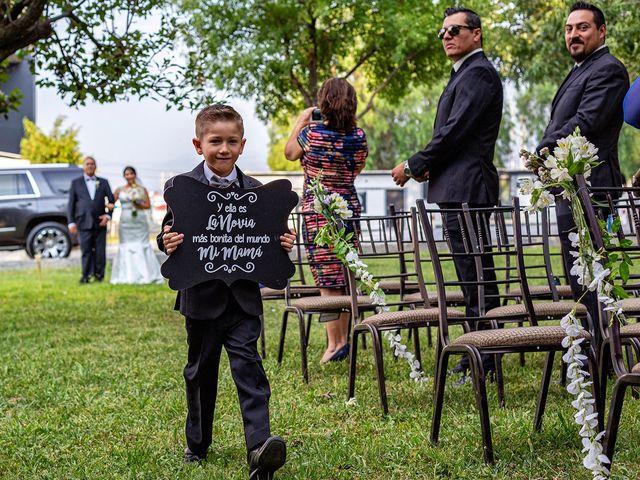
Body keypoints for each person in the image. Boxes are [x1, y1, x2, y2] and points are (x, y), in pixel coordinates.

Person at [158, 104, 295, 479]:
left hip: (244, 301)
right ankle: (197, 444)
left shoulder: (256, 193)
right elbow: (168, 231)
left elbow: (268, 240)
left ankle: (260, 447)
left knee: (249, 368)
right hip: (201, 300)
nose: (223, 149)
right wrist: (166, 240)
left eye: (231, 142)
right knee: (201, 373)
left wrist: (282, 242)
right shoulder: (183, 189)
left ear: (242, 144)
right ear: (198, 144)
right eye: (215, 141)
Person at [390, 6, 503, 376]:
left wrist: (413, 165)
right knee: (468, 270)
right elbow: (455, 137)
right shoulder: (463, 74)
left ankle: (487, 351)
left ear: (477, 34)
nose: (447, 37)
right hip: (456, 186)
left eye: (455, 30)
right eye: (443, 32)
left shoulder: (479, 74)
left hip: (469, 187)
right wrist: (432, 166)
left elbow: (454, 132)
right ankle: (478, 346)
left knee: (476, 271)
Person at [536, 1, 629, 348]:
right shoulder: (580, 69)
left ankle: (604, 350)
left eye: (582, 27)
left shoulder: (608, 69)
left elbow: (584, 124)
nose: (574, 34)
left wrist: (542, 149)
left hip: (594, 189)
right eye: (569, 28)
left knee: (594, 275)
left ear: (601, 31)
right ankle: (590, 349)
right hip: (570, 188)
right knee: (578, 276)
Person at [284, 78, 368, 364]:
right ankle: (343, 340)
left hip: (318, 211)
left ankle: (334, 344)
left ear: (324, 103)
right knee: (345, 275)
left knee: (328, 279)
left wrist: (300, 120)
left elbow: (289, 153)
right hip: (348, 210)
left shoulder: (312, 134)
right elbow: (357, 167)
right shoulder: (359, 136)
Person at [110, 166, 163, 284]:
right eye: (126, 174)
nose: (129, 176)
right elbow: (111, 203)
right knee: (126, 245)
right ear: (124, 176)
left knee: (142, 244)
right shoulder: (119, 190)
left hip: (139, 221)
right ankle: (126, 275)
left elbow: (147, 206)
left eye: (131, 174)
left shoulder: (142, 189)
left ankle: (146, 275)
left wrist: (137, 203)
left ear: (135, 175)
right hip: (125, 221)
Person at [67, 156, 115, 284]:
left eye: (92, 164)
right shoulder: (76, 183)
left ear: (95, 166)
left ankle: (99, 276)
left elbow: (111, 201)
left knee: (100, 251)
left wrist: (108, 215)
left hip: (100, 222)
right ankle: (86, 275)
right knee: (86, 251)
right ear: (83, 166)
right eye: (87, 164)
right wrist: (71, 222)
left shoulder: (103, 182)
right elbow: (71, 204)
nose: (90, 166)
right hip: (83, 222)